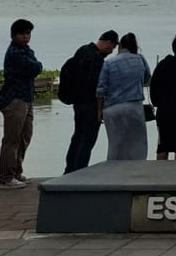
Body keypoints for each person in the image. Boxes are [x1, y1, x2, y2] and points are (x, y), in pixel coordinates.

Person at [63, 30, 119, 174]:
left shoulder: (82, 51)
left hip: (77, 103)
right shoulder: (97, 59)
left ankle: (69, 170)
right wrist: (101, 107)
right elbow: (98, 87)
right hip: (91, 105)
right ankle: (79, 172)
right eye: (112, 47)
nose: (111, 51)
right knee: (87, 141)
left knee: (77, 136)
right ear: (108, 42)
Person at [0, 18, 42, 189]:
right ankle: (5, 178)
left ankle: (16, 172)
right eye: (22, 34)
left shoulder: (26, 50)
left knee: (25, 136)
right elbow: (35, 68)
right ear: (14, 35)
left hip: (27, 98)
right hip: (14, 98)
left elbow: (35, 66)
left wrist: (36, 66)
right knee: (12, 139)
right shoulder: (15, 53)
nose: (26, 37)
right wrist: (37, 66)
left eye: (28, 33)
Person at [97, 32, 151, 162]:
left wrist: (99, 110)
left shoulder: (109, 62)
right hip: (134, 108)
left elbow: (101, 89)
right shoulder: (140, 59)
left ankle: (113, 173)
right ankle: (135, 173)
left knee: (115, 146)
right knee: (138, 145)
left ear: (120, 46)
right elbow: (147, 78)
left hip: (112, 109)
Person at [150, 34, 176, 160]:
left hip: (164, 111)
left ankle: (160, 176)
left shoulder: (163, 64)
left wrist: (157, 103)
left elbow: (154, 86)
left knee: (163, 145)